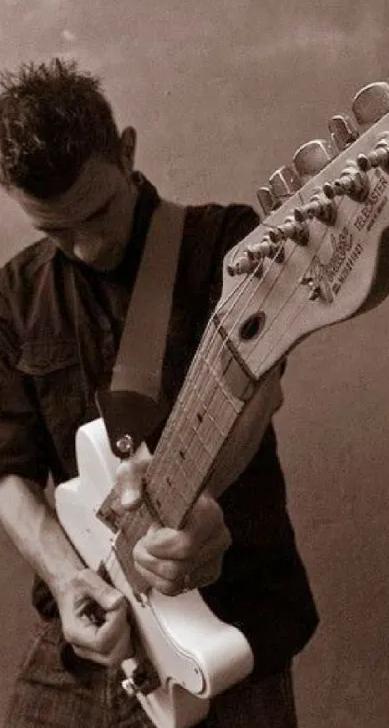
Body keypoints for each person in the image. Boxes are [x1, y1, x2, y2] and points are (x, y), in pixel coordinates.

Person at [0, 59, 318, 728]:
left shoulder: (227, 246)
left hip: (228, 631)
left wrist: (196, 498)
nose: (83, 247)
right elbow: (9, 465)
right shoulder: (14, 296)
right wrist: (66, 580)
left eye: (97, 213)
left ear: (127, 150)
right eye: (54, 230)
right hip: (85, 647)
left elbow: (259, 393)